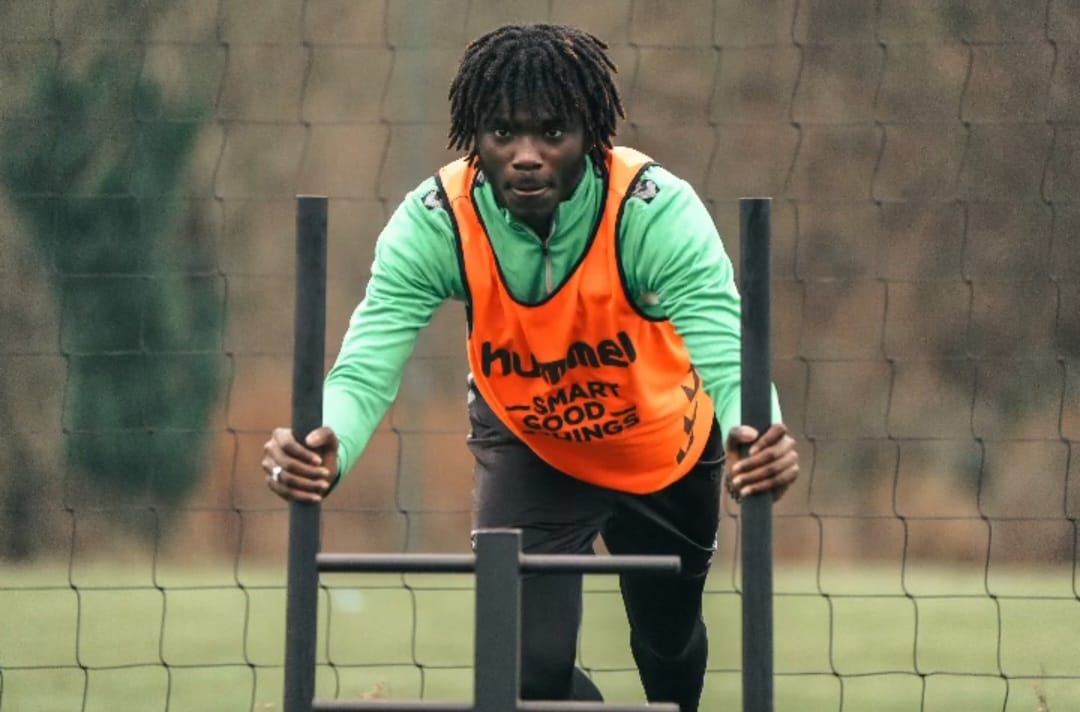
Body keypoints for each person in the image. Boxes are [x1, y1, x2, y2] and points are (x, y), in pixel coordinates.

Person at [262, 23, 799, 711]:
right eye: (502, 134)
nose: (525, 156)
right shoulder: (438, 222)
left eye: (552, 133)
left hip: (665, 448)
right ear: (472, 138)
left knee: (668, 646)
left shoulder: (653, 212)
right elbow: (365, 368)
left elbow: (727, 350)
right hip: (532, 446)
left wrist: (760, 434)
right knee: (525, 672)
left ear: (592, 136)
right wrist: (323, 444)